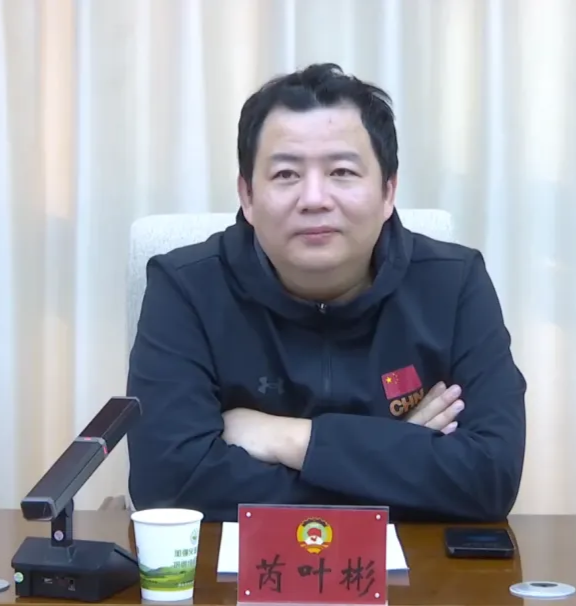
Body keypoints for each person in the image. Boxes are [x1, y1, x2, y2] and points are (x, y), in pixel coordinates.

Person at [126, 63, 527, 523]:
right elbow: (169, 485)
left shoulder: (453, 283)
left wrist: (291, 439)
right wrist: (398, 453)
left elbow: (490, 478)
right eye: (286, 175)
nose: (314, 198)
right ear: (247, 196)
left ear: (388, 192)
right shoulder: (185, 288)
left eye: (341, 171)